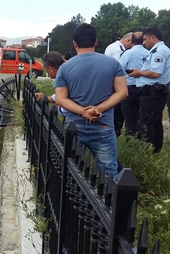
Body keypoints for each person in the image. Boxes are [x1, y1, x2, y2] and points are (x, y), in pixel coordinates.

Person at [53, 23, 128, 177]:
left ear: (74, 43)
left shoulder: (65, 68)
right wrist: (98, 109)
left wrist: (83, 111)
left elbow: (61, 98)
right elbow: (122, 92)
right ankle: (105, 201)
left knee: (72, 170)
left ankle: (73, 200)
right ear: (96, 42)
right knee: (107, 172)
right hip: (103, 124)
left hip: (74, 124)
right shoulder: (113, 63)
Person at [128, 27, 170, 153]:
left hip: (152, 92)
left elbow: (156, 73)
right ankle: (156, 150)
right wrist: (165, 76)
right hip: (157, 91)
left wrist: (139, 73)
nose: (144, 43)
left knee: (145, 124)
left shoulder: (159, 51)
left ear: (153, 38)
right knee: (155, 122)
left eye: (145, 40)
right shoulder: (165, 50)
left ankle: (145, 152)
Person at [119, 31, 149, 136]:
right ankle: (141, 139)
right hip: (145, 89)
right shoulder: (149, 53)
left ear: (131, 41)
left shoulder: (128, 53)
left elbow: (120, 69)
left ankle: (131, 142)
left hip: (130, 89)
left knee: (130, 118)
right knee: (141, 117)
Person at [104, 32, 132, 134]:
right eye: (131, 44)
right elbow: (119, 69)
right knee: (118, 113)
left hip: (109, 83)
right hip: (115, 85)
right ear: (128, 40)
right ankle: (115, 133)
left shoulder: (112, 46)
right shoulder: (118, 50)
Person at [34, 51, 68, 118]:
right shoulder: (66, 71)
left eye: (47, 71)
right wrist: (46, 98)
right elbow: (61, 94)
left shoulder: (62, 77)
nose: (49, 76)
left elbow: (61, 98)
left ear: (51, 69)